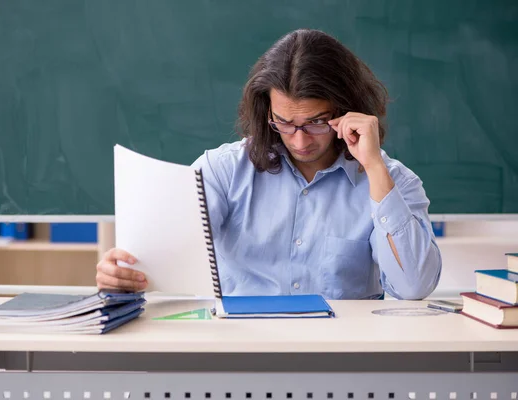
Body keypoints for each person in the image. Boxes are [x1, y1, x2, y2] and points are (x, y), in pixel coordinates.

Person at [96, 29, 442, 300]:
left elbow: (413, 287)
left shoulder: (395, 182)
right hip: (238, 351)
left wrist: (375, 168)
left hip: (338, 359)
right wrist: (124, 273)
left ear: (346, 109)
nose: (300, 140)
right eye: (285, 123)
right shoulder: (223, 171)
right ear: (266, 113)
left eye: (316, 122)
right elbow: (163, 259)